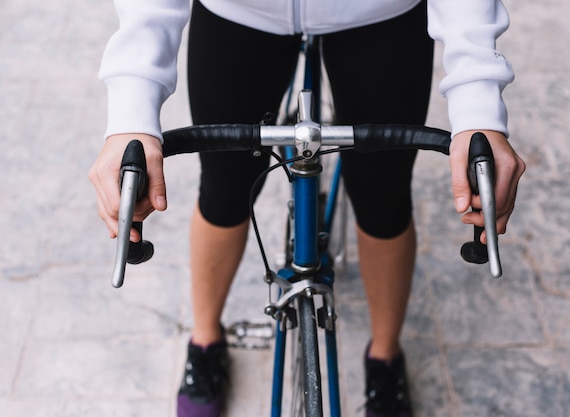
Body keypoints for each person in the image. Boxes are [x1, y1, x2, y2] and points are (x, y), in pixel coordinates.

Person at [89, 0, 526, 416]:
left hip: (379, 15)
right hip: (241, 14)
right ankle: (204, 341)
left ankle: (385, 357)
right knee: (225, 191)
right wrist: (131, 113)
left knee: (383, 200)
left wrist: (478, 108)